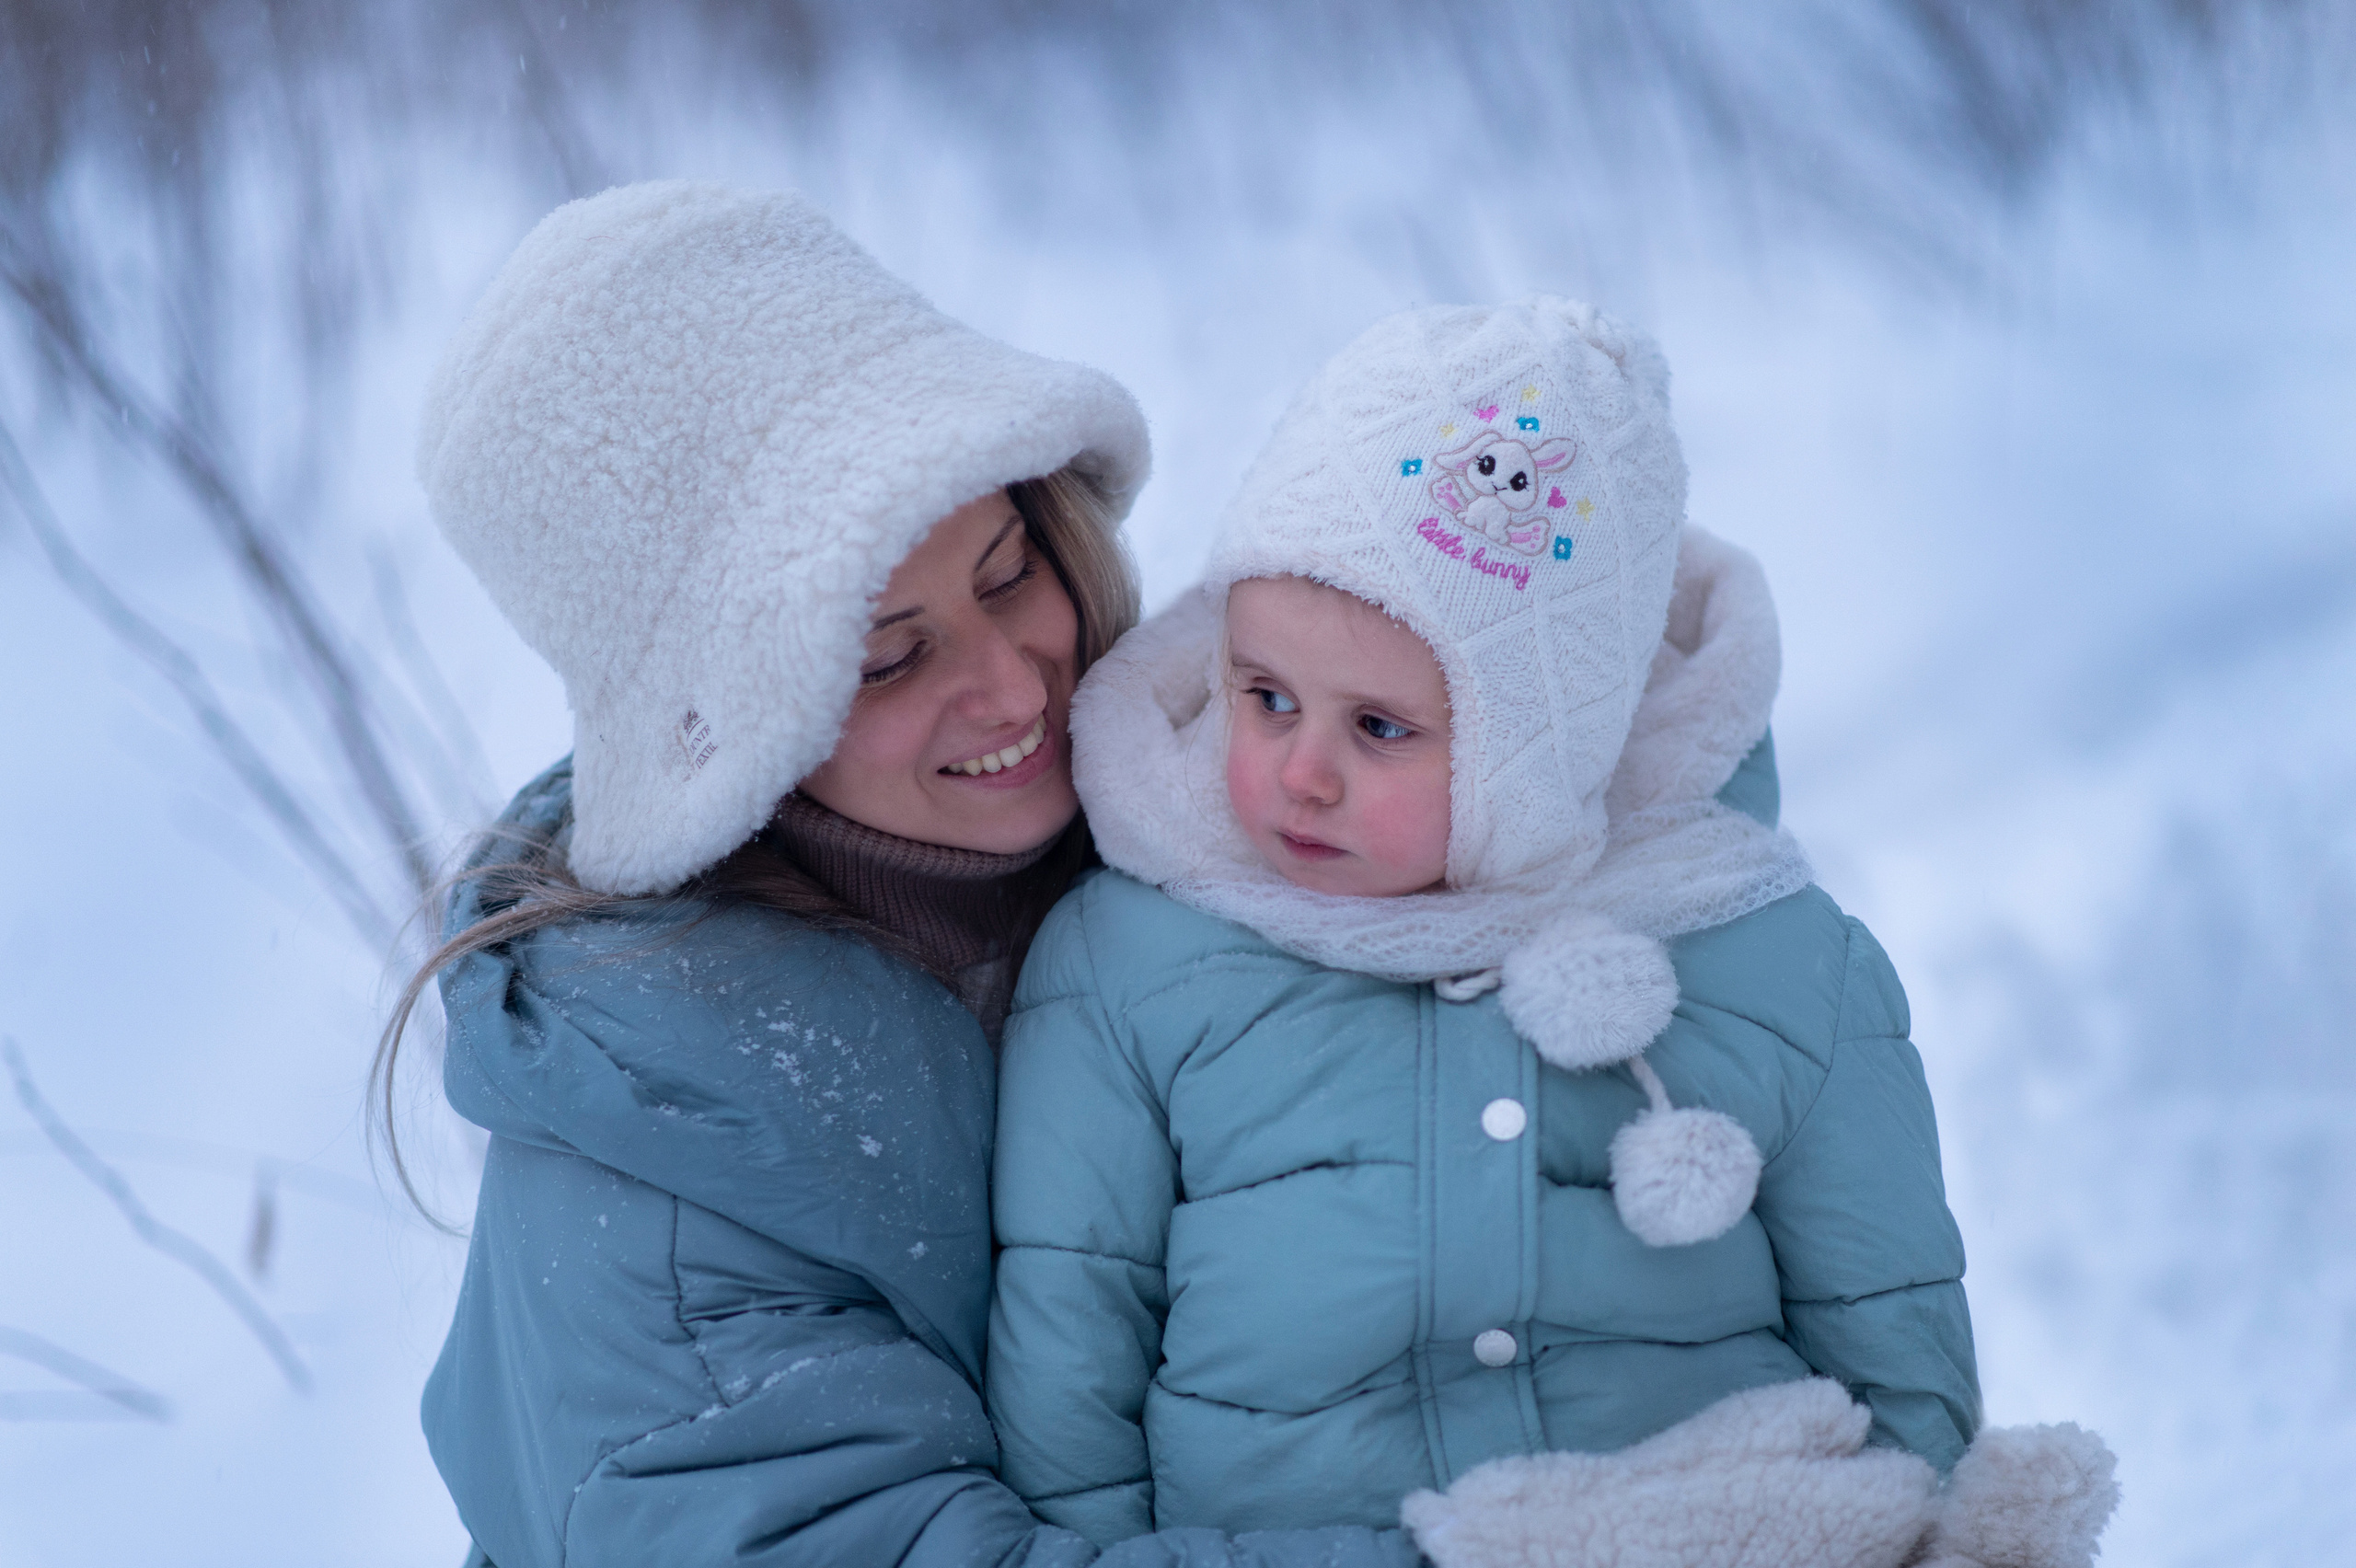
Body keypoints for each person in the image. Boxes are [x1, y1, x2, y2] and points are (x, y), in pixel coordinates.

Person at [385, 180, 1461, 1567]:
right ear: (726, 734)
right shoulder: (672, 1186)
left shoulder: (1204, 810)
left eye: (1010, 576)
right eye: (887, 657)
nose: (1014, 686)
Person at [987, 299, 2113, 1567]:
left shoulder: (1769, 957)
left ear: (1540, 747)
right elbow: (1072, 1329)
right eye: (1267, 696)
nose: (1301, 773)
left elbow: (1888, 1315)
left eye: (1380, 728)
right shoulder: (1130, 966)